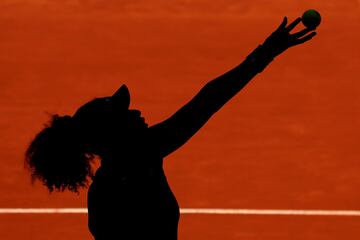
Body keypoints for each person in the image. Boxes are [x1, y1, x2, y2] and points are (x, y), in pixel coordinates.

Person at [24, 16, 317, 240]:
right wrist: (265, 53)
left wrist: (266, 53)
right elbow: (207, 102)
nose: (136, 112)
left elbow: (208, 100)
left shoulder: (134, 161)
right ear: (113, 134)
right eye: (125, 114)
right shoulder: (132, 168)